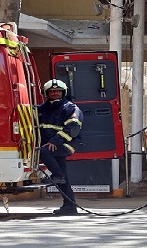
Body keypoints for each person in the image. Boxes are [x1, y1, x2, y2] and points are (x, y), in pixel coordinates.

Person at [38, 79, 83, 215]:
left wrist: (55, 141)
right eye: (52, 91)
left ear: (63, 92)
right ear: (47, 93)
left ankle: (57, 175)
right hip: (50, 145)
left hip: (64, 144)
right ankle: (69, 205)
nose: (55, 93)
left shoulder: (70, 108)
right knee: (63, 176)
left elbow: (73, 128)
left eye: (58, 91)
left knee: (43, 152)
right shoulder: (42, 109)